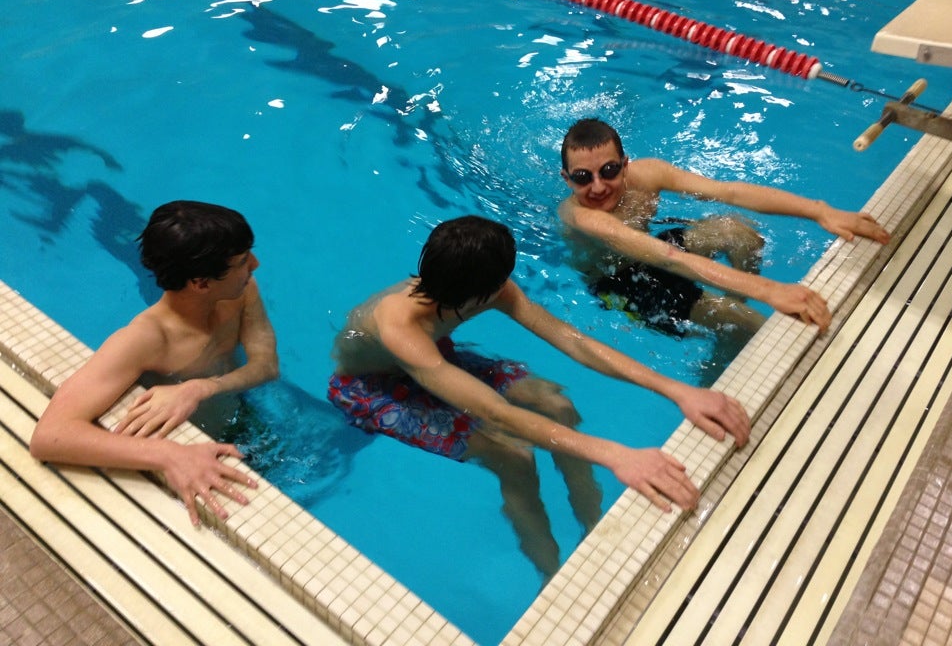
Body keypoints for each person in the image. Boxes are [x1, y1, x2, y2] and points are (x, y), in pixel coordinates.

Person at [328, 215, 749, 577]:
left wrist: (678, 391)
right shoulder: (399, 326)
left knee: (557, 405)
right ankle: (553, 573)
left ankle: (591, 527)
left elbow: (573, 341)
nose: (506, 286)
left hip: (435, 358)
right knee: (514, 456)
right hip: (372, 386)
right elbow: (497, 413)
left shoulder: (481, 288)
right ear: (475, 293)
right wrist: (617, 454)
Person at [30, 200, 279, 526]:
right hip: (197, 444)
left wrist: (201, 387)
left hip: (243, 419)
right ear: (201, 282)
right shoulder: (144, 339)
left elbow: (267, 364)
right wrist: (169, 454)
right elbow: (50, 436)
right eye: (244, 261)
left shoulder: (241, 290)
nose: (256, 265)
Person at [558, 118, 891, 339]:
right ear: (568, 179)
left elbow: (728, 191)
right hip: (620, 283)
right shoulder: (583, 218)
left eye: (610, 170)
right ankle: (731, 336)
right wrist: (768, 289)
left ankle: (731, 314)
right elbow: (668, 257)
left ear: (625, 164)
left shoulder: (647, 174)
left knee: (740, 232)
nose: (599, 186)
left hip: (658, 254)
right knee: (744, 322)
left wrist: (821, 211)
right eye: (583, 178)